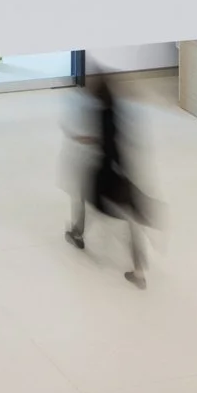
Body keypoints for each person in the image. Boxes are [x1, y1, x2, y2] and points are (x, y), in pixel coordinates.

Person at [64, 73, 149, 286]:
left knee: (82, 194)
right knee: (131, 218)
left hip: (105, 173)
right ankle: (139, 271)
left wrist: (76, 137)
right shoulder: (116, 110)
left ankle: (77, 233)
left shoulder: (101, 113)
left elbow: (99, 141)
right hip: (122, 171)